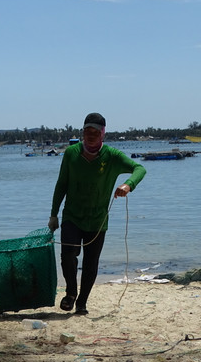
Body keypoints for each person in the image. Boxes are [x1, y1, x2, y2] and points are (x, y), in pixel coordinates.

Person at [48, 113, 146, 316]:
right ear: (82, 132)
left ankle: (82, 302)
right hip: (72, 216)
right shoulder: (71, 153)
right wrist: (53, 214)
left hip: (98, 220)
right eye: (87, 132)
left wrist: (128, 184)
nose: (91, 136)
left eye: (95, 132)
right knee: (68, 256)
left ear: (103, 134)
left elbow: (139, 168)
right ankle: (71, 293)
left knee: (91, 263)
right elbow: (61, 184)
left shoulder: (112, 156)